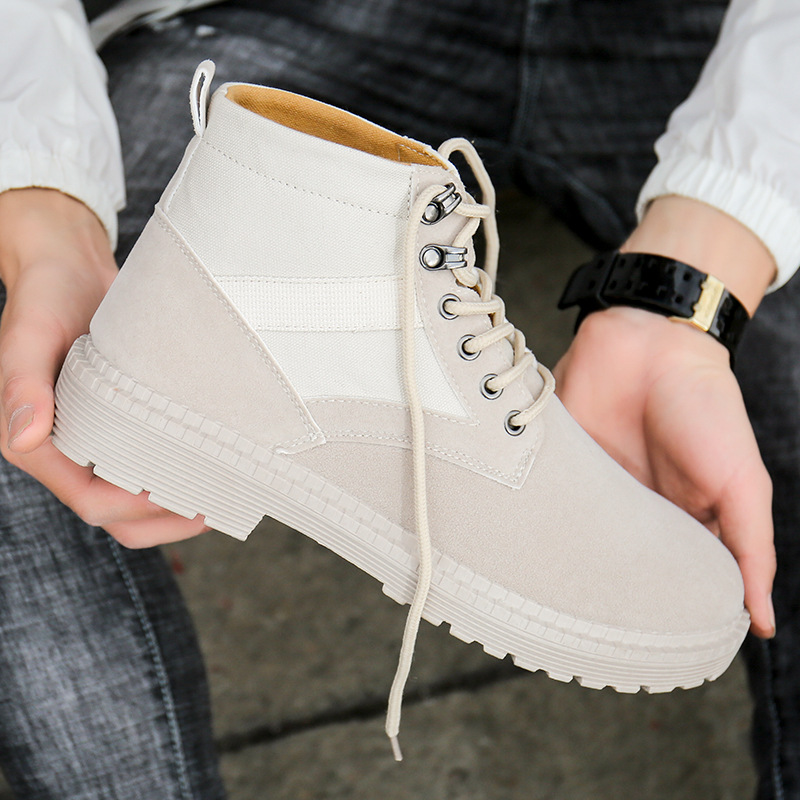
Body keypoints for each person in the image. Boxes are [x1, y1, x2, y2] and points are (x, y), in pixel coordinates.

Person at [0, 0, 795, 796]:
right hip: (275, 16)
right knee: (34, 342)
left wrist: (693, 277)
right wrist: (44, 215)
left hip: (700, 39)